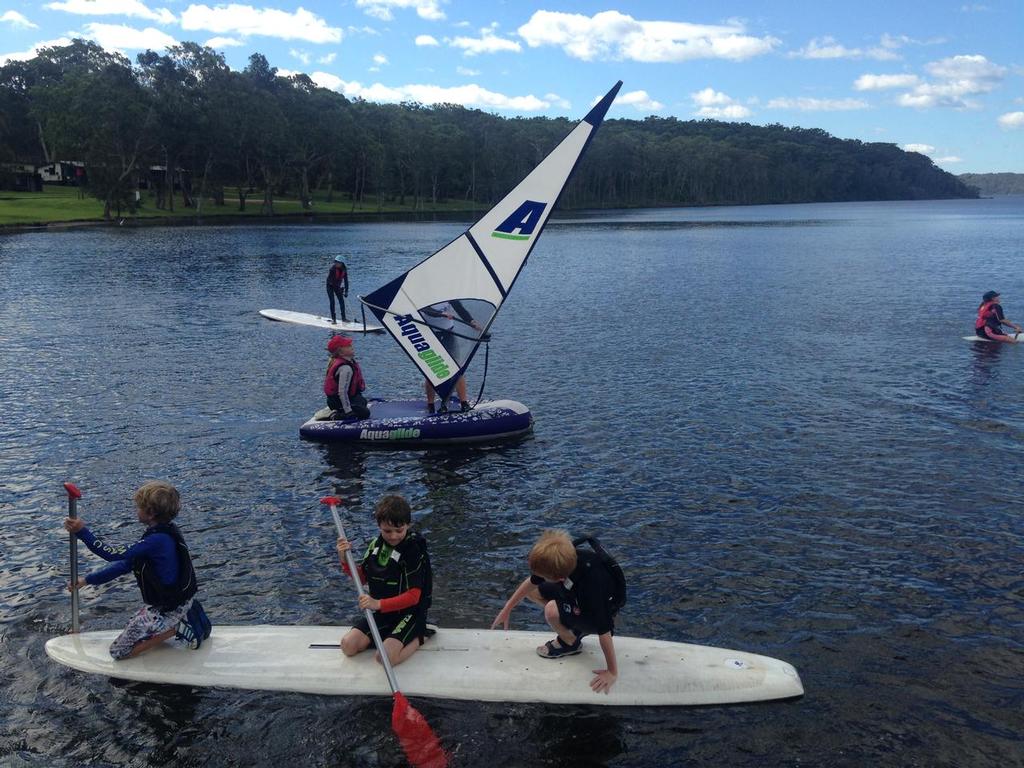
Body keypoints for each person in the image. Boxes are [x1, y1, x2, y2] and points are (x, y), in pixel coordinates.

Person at [62, 481, 210, 660]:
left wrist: (82, 532)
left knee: (118, 652)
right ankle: (178, 620)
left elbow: (110, 554)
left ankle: (176, 627)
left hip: (169, 608)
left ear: (151, 512)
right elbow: (125, 565)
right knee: (134, 627)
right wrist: (87, 580)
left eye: (139, 507)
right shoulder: (162, 534)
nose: (136, 510)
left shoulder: (156, 541)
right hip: (176, 602)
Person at [491, 529, 620, 694]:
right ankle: (571, 626)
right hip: (574, 596)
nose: (538, 577)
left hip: (596, 612)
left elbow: (604, 631)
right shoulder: (562, 560)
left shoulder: (591, 585)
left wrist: (612, 672)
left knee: (551, 610)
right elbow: (531, 582)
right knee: (532, 591)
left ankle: (570, 641)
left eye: (543, 576)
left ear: (558, 579)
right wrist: (507, 609)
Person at [335, 494, 432, 668]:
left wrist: (377, 604)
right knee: (348, 646)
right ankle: (389, 637)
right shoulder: (375, 546)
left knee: (384, 658)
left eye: (399, 530)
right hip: (383, 613)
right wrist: (344, 559)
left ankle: (421, 636)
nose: (394, 536)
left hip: (410, 614)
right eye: (387, 531)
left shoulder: (413, 551)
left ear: (407, 525)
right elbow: (362, 579)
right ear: (379, 526)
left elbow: (414, 597)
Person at [421, 301, 482, 414]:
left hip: (449, 334)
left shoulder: (447, 292)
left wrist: (471, 321)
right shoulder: (425, 295)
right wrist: (442, 314)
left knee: (457, 368)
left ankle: (464, 403)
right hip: (432, 335)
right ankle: (430, 405)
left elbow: (459, 308)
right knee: (432, 370)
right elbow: (427, 310)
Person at [324, 334, 370, 420]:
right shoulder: (345, 368)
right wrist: (348, 411)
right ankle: (336, 415)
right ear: (341, 352)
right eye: (348, 346)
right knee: (365, 413)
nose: (351, 346)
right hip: (336, 401)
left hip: (347, 398)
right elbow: (342, 392)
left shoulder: (349, 362)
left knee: (362, 401)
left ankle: (343, 409)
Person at [326, 255, 350, 324]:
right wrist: (339, 289)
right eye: (335, 262)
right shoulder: (332, 269)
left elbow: (346, 281)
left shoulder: (344, 270)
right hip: (330, 286)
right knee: (332, 301)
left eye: (338, 262)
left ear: (342, 263)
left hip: (337, 286)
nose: (335, 263)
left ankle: (344, 318)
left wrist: (346, 291)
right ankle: (334, 319)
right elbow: (332, 281)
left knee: (342, 301)